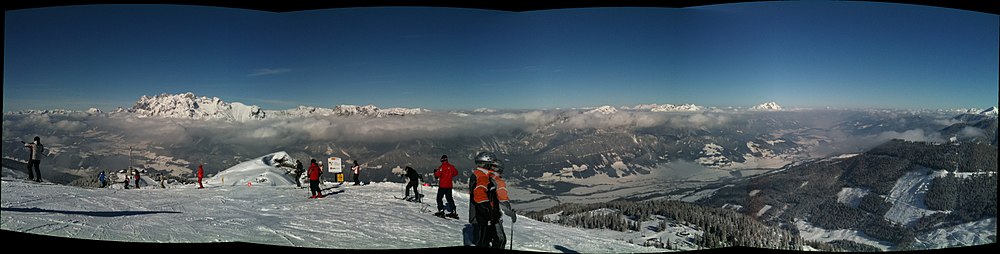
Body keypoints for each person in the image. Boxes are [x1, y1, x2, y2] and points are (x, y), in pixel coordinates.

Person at [468, 152, 517, 249]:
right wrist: (488, 211)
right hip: (485, 216)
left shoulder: (485, 176)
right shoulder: (482, 176)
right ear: (487, 164)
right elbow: (480, 195)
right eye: (492, 165)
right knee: (492, 240)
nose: (493, 168)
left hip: (486, 215)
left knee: (489, 239)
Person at [434, 155, 459, 219]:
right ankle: (453, 211)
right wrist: (450, 175)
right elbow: (456, 173)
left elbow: (437, 175)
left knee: (439, 198)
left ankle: (441, 211)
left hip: (443, 185)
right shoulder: (451, 167)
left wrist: (435, 172)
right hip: (449, 185)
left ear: (442, 160)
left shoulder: (441, 167)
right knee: (449, 198)